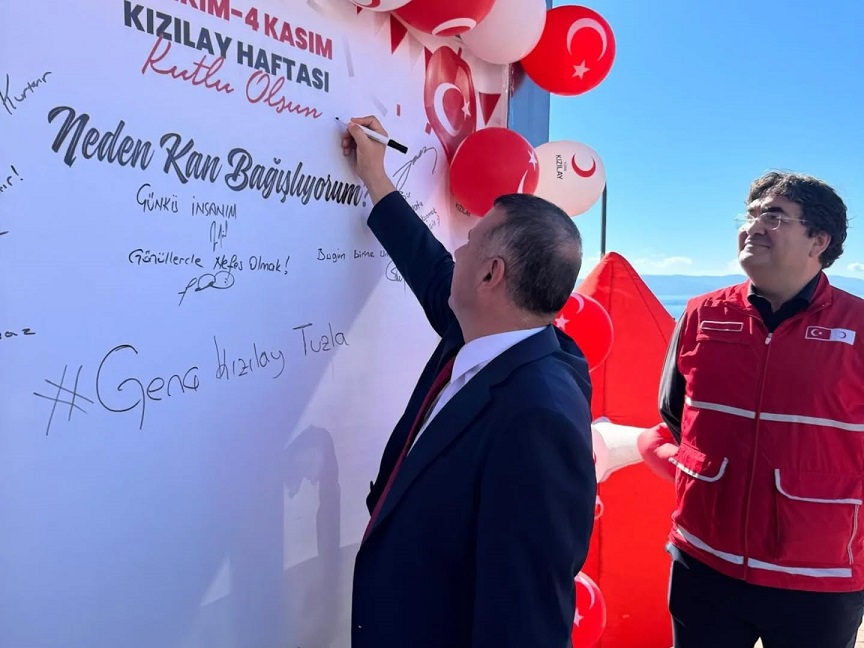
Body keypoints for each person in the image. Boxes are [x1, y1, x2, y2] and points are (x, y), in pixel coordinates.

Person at [341, 116, 596, 648]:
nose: (457, 251)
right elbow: (430, 265)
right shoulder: (490, 331)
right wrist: (376, 178)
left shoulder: (538, 416)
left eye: (471, 243)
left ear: (490, 275)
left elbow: (526, 618)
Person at [656, 171, 864, 648]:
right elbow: (675, 413)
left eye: (774, 216)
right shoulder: (700, 314)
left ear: (819, 240)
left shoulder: (859, 326)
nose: (753, 226)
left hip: (820, 577)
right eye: (749, 215)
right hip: (704, 561)